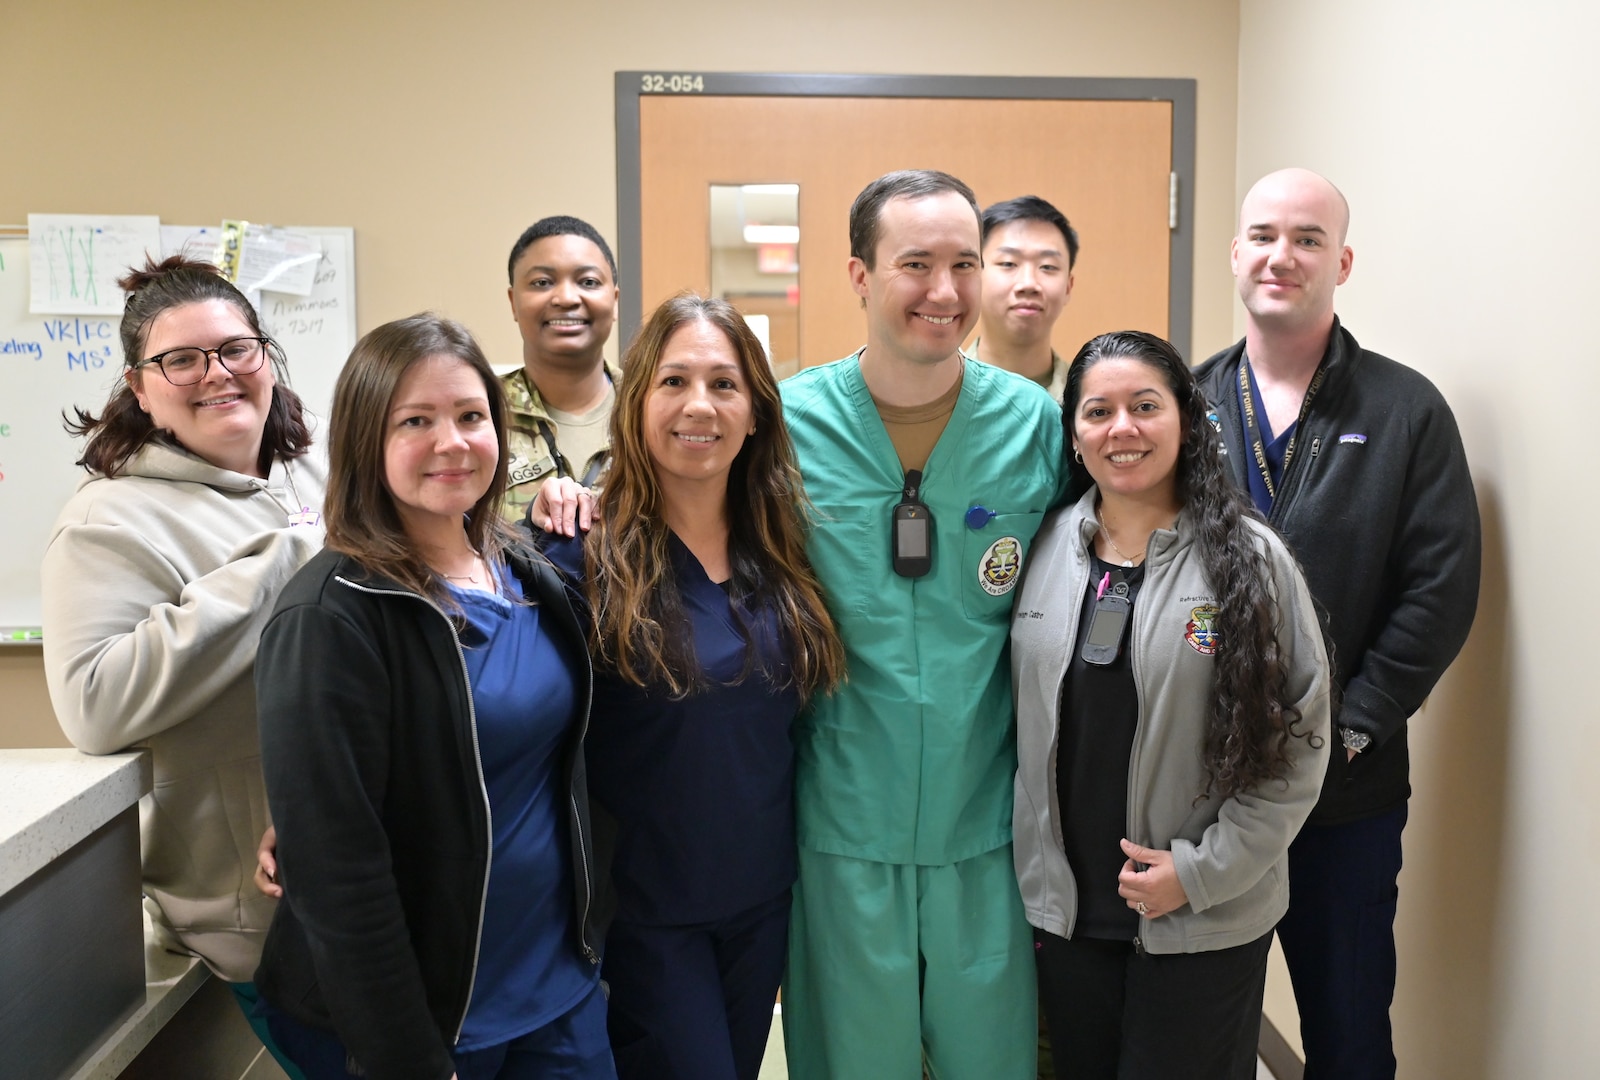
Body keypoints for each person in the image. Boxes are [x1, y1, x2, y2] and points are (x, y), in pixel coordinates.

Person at [251, 314, 613, 1080]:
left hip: (557, 988)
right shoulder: (331, 615)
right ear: (366, 441)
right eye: (415, 421)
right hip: (431, 1019)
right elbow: (335, 872)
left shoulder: (527, 572)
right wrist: (404, 1057)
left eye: (471, 416)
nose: (452, 443)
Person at [777, 169, 1065, 1079]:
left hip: (986, 828)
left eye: (964, 264)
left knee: (993, 1063)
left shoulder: (1034, 426)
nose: (945, 291)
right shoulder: (784, 427)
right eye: (915, 264)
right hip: (840, 825)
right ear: (860, 275)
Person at [1194, 168, 1481, 1079]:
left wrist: (1352, 726)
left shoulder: (1404, 411)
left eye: (1308, 239)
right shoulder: (1183, 408)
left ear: (1342, 263)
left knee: (1349, 1035)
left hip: (1346, 796)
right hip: (1203, 794)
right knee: (1201, 1036)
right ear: (1235, 252)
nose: (1282, 256)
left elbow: (1440, 589)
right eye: (1264, 235)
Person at [539, 293, 844, 1080]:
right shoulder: (581, 556)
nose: (699, 406)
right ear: (637, 402)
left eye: (724, 384)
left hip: (761, 900)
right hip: (645, 917)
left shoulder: (782, 549)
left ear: (756, 412)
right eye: (673, 381)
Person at [1012, 329, 1331, 1079]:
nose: (1121, 428)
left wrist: (1199, 873)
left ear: (1186, 419)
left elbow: (1300, 740)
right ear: (1074, 436)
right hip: (1068, 920)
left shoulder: (1251, 560)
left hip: (1199, 917)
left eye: (1145, 406)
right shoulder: (1044, 548)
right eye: (1098, 412)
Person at [41, 256, 325, 1076]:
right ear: (139, 386)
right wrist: (286, 561)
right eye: (181, 360)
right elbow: (95, 703)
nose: (217, 374)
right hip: (258, 918)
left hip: (370, 879)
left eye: (236, 349)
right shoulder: (106, 523)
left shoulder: (310, 471)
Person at [503, 215, 621, 520]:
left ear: (614, 300)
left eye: (588, 282)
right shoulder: (479, 413)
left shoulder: (652, 409)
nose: (567, 298)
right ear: (514, 302)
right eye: (542, 282)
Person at [969, 194, 1079, 401]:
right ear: (975, 276)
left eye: (1048, 266)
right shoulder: (935, 390)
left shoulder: (1086, 402)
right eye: (1008, 263)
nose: (1028, 284)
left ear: (1068, 287)